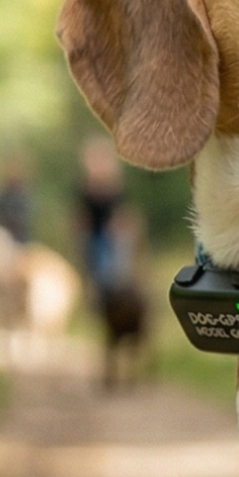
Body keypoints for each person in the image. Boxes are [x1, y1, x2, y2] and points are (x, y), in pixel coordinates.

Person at [77, 137, 149, 385]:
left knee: (122, 267)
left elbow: (127, 217)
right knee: (105, 276)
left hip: (114, 241)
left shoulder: (117, 191)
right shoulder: (86, 193)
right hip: (98, 244)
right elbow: (82, 224)